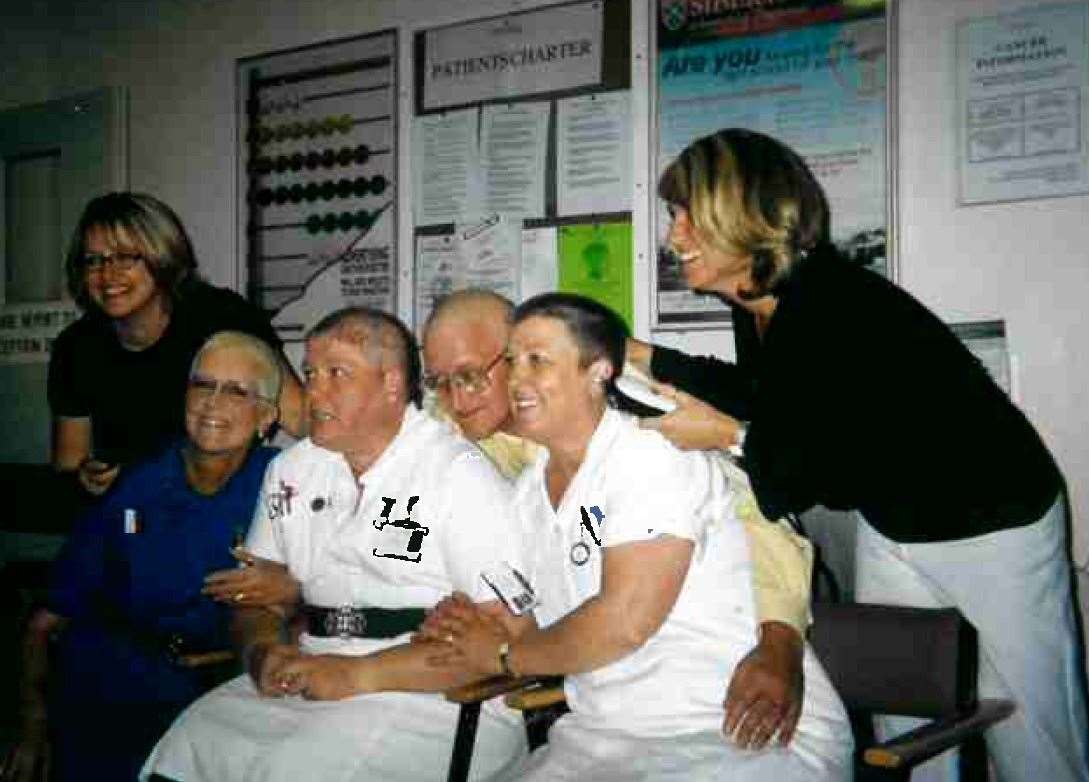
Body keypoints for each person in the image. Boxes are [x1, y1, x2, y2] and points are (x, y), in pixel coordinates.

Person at [626, 127, 1089, 780]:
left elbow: (819, 463)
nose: (672, 237)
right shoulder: (761, 305)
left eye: (684, 215)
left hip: (991, 518)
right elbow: (769, 397)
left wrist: (727, 436)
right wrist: (642, 357)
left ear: (743, 216)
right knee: (903, 722)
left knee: (1032, 729)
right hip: (892, 515)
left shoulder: (834, 304)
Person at [423, 293, 852, 780]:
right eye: (441, 383)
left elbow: (755, 520)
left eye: (474, 375)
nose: (457, 400)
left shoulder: (651, 438)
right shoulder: (524, 481)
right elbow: (548, 596)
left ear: (596, 371)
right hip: (607, 732)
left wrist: (781, 639)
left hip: (724, 723)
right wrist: (478, 625)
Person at [142, 307, 527, 782]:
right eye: (309, 373)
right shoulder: (291, 471)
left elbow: (508, 633)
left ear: (391, 383)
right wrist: (261, 651)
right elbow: (253, 602)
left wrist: (355, 675)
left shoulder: (455, 473)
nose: (313, 391)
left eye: (336, 374)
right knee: (188, 745)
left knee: (297, 770)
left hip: (432, 693)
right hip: (311, 669)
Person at [2, 331, 283, 782]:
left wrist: (288, 594)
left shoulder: (286, 485)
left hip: (217, 701)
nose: (213, 403)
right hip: (107, 690)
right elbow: (44, 621)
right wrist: (33, 726)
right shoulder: (135, 485)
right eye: (201, 385)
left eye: (235, 391)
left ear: (266, 417)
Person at [48, 192, 304, 496]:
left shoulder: (222, 316)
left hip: (230, 503)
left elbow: (301, 418)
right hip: (135, 516)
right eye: (94, 261)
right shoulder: (76, 347)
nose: (107, 274)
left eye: (126, 257)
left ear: (162, 255)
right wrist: (85, 476)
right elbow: (69, 464)